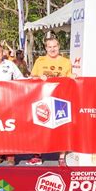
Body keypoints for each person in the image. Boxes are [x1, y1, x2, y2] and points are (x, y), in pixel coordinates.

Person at [27, 36, 75, 166]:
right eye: (49, 47)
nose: (52, 49)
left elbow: (69, 77)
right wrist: (38, 77)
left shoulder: (66, 62)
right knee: (40, 126)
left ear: (59, 47)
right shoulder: (40, 60)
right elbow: (32, 77)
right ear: (45, 48)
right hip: (43, 99)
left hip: (61, 98)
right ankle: (37, 155)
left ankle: (61, 157)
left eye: (55, 46)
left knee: (62, 127)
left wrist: (72, 77)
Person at [0, 43, 24, 166]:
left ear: (3, 53)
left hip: (9, 101)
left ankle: (10, 155)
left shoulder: (10, 64)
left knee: (9, 128)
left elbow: (20, 78)